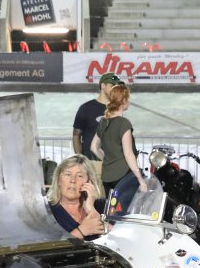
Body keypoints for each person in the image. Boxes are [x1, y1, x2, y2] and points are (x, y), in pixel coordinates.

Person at [90, 80, 148, 212]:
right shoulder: (124, 123)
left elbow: (94, 147)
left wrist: (108, 159)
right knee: (124, 213)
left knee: (111, 211)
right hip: (123, 176)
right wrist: (140, 179)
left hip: (107, 176)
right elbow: (128, 154)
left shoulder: (104, 121)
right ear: (124, 101)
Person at [72, 72, 118, 189]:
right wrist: (80, 158)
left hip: (112, 164)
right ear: (103, 86)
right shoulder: (86, 108)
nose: (115, 89)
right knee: (92, 194)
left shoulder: (116, 109)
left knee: (111, 196)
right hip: (91, 163)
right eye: (112, 86)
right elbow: (76, 135)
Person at [47, 155, 107, 241]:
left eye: (80, 176)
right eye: (68, 174)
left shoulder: (103, 205)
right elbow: (46, 246)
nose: (73, 180)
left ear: (89, 181)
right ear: (58, 180)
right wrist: (81, 231)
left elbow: (118, 238)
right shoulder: (46, 211)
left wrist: (91, 209)